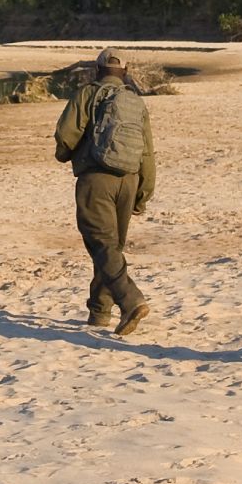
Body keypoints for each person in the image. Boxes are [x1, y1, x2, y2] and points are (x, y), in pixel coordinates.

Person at [55, 48, 155, 336]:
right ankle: (100, 312)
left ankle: (130, 299)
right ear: (124, 71)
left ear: (98, 70)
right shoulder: (134, 101)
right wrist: (143, 191)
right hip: (130, 179)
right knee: (112, 247)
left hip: (96, 178)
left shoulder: (88, 93)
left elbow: (66, 134)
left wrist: (65, 155)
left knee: (101, 244)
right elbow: (147, 151)